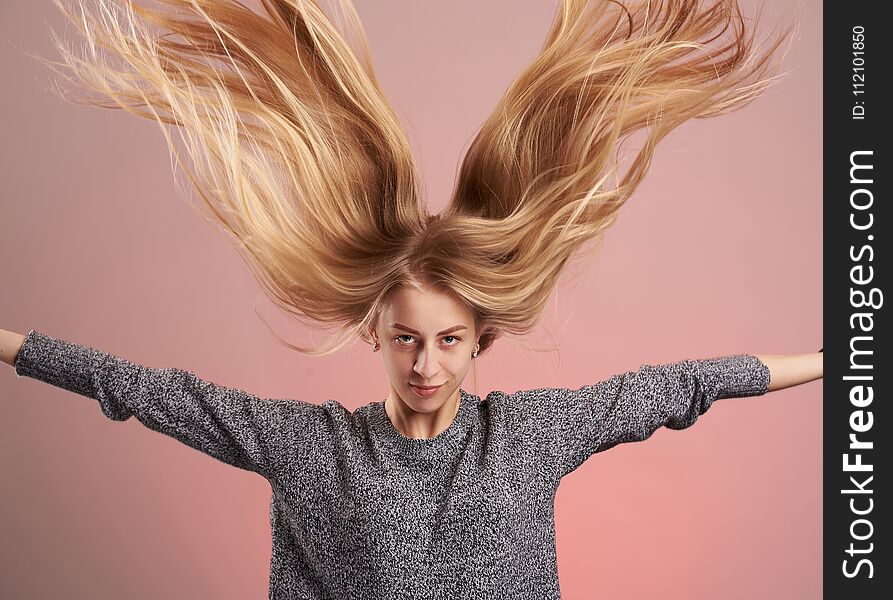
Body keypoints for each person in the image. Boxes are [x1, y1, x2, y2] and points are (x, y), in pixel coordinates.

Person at [2, 0, 821, 598]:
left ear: (479, 340)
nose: (426, 363)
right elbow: (148, 393)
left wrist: (830, 362)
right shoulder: (312, 449)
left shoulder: (532, 436)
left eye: (448, 341)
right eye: (405, 340)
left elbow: (677, 388)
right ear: (374, 334)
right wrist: (9, 344)